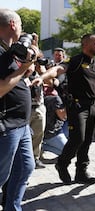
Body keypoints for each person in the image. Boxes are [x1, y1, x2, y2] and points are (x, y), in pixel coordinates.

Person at [33, 34, 95, 184]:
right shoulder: (75, 61)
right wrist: (43, 77)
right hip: (77, 105)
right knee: (78, 138)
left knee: (88, 140)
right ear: (85, 44)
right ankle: (62, 164)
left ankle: (81, 172)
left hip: (92, 105)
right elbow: (58, 69)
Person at [0, 8, 41, 210]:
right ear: (13, 25)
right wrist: (24, 68)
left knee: (25, 168)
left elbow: (17, 79)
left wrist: (27, 66)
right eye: (21, 25)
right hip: (6, 125)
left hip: (21, 124)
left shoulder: (12, 51)